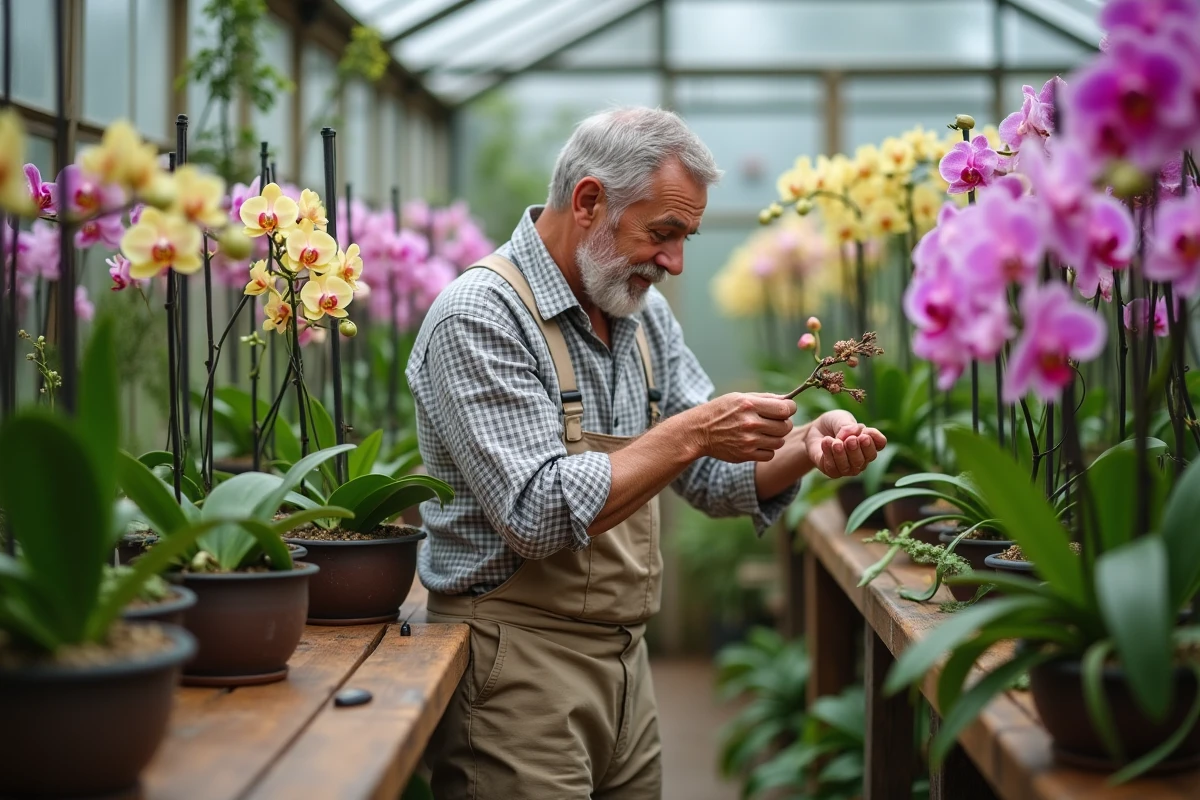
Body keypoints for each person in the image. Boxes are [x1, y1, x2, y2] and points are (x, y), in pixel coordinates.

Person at [408, 106, 886, 799]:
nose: (676, 262)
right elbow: (535, 516)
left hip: (628, 662)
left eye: (686, 236)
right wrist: (690, 432)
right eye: (663, 234)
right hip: (515, 669)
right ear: (589, 201)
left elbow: (717, 477)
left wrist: (806, 445)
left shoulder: (640, 313)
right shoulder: (481, 316)